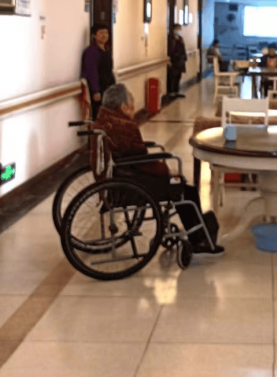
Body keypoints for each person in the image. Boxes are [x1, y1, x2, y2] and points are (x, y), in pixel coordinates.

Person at [94, 84, 223, 253]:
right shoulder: (125, 127)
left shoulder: (103, 121)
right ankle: (198, 238)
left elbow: (134, 156)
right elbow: (142, 162)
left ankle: (198, 234)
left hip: (123, 177)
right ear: (123, 106)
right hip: (136, 182)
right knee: (184, 188)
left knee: (181, 184)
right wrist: (166, 170)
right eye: (131, 104)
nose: (133, 109)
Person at [81, 25, 116, 119]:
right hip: (99, 90)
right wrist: (95, 91)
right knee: (99, 115)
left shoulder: (106, 50)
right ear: (94, 36)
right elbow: (92, 72)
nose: (104, 35)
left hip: (108, 89)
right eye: (100, 33)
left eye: (106, 33)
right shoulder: (91, 52)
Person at [167, 24, 187, 98]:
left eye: (179, 29)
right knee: (172, 76)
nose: (178, 30)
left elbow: (183, 49)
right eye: (177, 29)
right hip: (174, 60)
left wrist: (184, 58)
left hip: (180, 61)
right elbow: (170, 50)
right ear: (173, 30)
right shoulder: (170, 39)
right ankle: (171, 92)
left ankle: (176, 91)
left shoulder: (180, 38)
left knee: (178, 76)